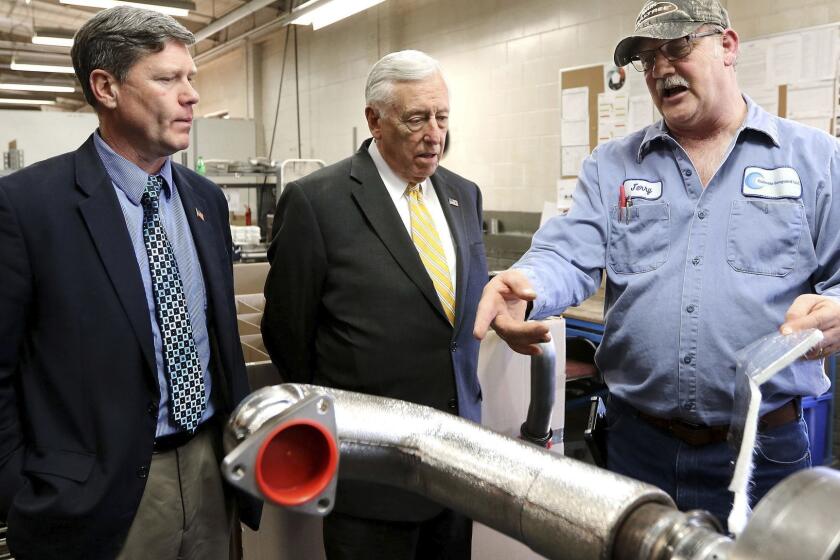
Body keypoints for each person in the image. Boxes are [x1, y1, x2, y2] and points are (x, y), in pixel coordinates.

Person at [474, 0, 840, 526]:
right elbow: (568, 251)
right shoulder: (613, 165)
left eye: (679, 47)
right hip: (637, 448)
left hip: (765, 450)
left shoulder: (817, 161)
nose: (662, 68)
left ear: (728, 47)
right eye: (648, 58)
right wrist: (527, 282)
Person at [0, 7, 260, 559]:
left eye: (191, 78)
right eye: (167, 79)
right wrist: (24, 492)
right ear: (106, 87)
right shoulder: (28, 208)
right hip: (95, 496)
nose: (190, 95)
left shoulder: (204, 201)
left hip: (212, 469)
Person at [262, 50, 487, 559]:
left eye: (442, 117)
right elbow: (288, 336)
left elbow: (451, 327)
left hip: (458, 468)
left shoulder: (463, 195)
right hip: (370, 478)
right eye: (416, 119)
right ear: (374, 120)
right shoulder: (317, 202)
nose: (435, 134)